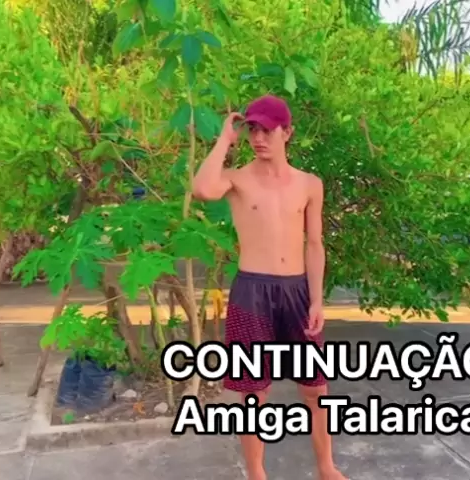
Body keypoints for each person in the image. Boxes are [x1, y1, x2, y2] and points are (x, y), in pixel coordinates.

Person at [192, 95, 347, 480]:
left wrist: (316, 300)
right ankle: (257, 473)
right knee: (254, 393)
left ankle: (326, 467)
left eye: (267, 130)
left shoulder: (309, 184)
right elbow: (203, 189)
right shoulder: (238, 179)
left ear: (287, 133)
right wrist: (224, 140)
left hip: (297, 292)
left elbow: (315, 245)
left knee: (316, 389)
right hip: (252, 293)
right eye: (252, 130)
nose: (258, 139)